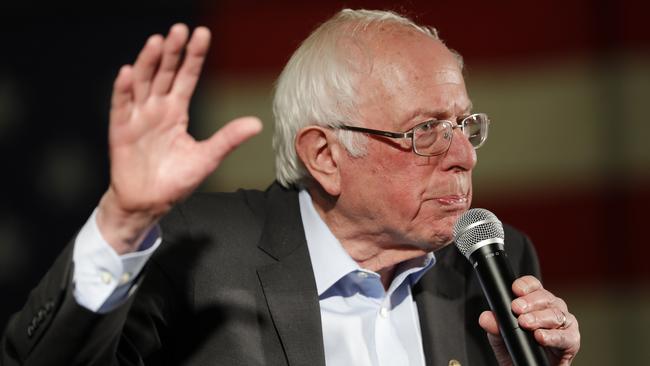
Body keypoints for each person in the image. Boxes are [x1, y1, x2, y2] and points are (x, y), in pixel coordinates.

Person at [1, 9, 580, 366]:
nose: (461, 155)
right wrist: (122, 223)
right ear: (324, 156)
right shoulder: (197, 254)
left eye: (463, 125)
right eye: (425, 130)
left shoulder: (492, 264)